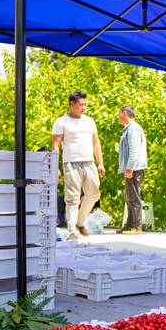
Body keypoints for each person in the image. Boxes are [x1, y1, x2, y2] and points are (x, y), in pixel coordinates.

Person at [52, 91, 105, 241]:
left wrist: (100, 162)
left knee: (94, 194)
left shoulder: (89, 121)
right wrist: (55, 167)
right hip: (71, 163)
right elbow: (55, 146)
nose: (84, 108)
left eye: (85, 105)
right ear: (72, 104)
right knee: (72, 198)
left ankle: (80, 222)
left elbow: (96, 143)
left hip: (89, 163)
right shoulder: (61, 122)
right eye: (81, 105)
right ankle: (71, 230)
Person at [117, 106, 147, 234]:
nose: (118, 116)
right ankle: (129, 224)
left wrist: (129, 167)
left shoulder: (133, 129)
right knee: (129, 196)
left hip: (134, 168)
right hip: (131, 168)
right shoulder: (128, 129)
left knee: (134, 196)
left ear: (124, 113)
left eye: (119, 114)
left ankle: (136, 226)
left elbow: (134, 150)